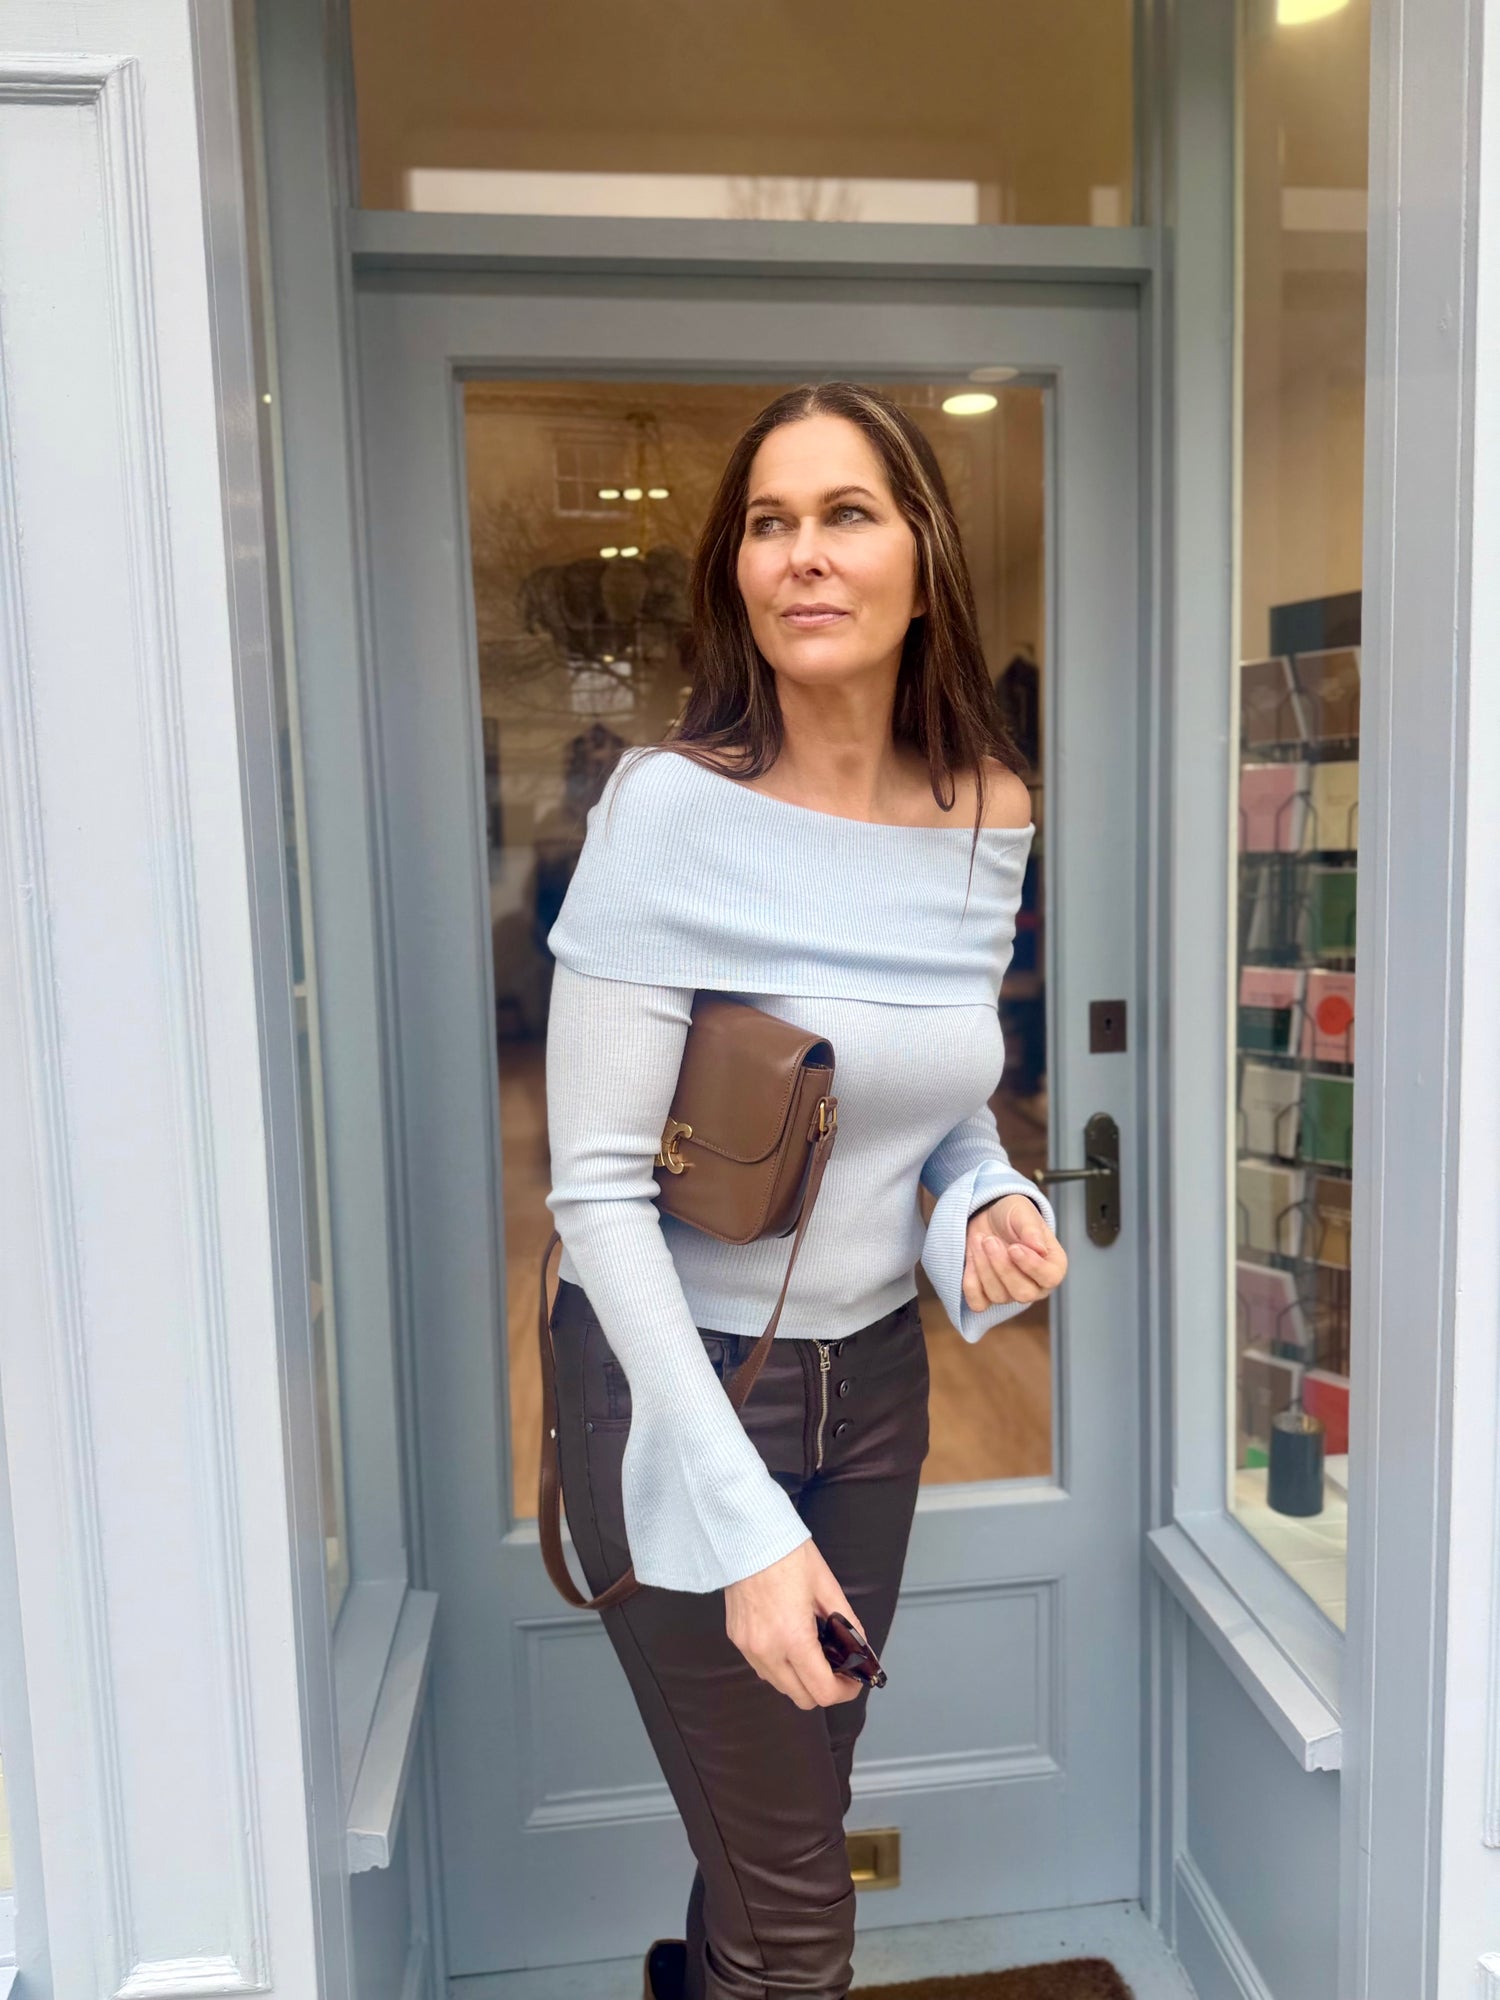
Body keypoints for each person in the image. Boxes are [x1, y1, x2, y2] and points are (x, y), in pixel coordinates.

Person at [542, 380, 1069, 2000]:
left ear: (924, 558)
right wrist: (742, 1521)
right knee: (800, 1921)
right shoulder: (669, 810)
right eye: (769, 523)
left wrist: (983, 1196)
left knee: (780, 1834)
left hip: (879, 1393)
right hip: (677, 1392)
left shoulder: (985, 812)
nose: (803, 555)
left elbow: (940, 1097)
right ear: (737, 570)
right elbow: (596, 1193)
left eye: (847, 514)